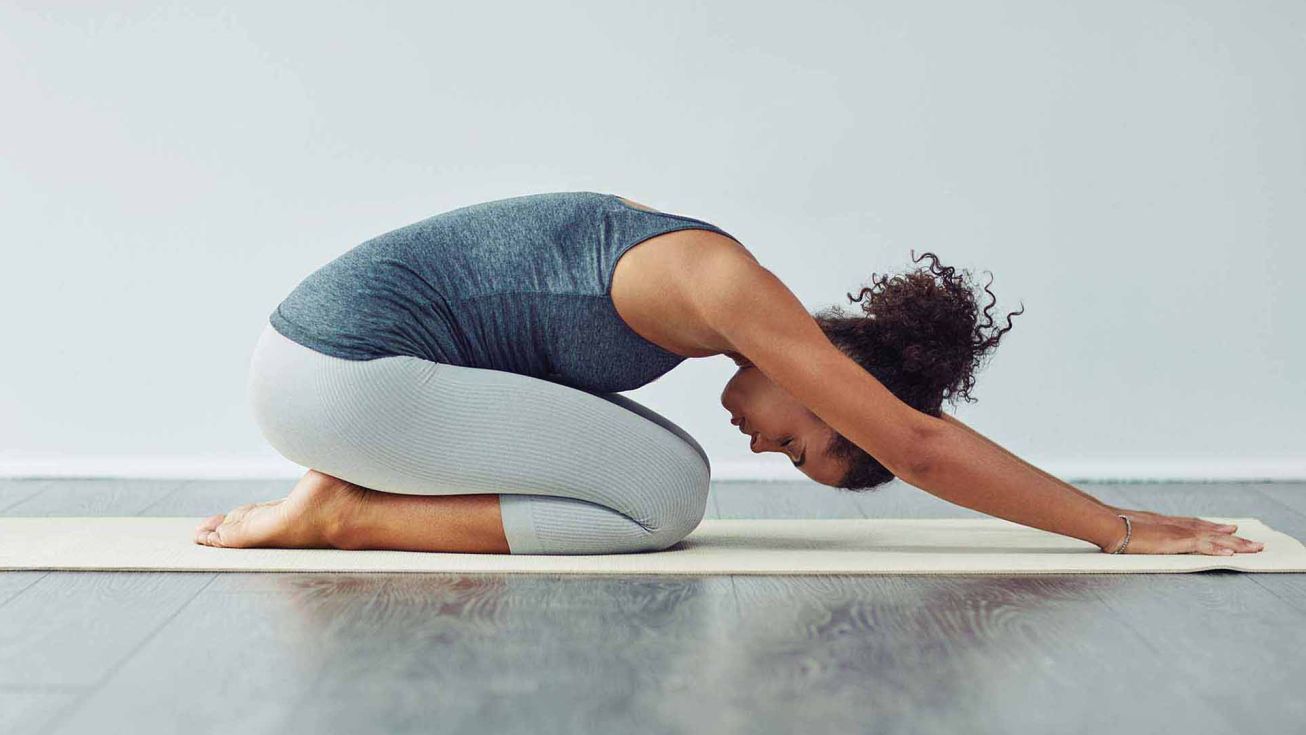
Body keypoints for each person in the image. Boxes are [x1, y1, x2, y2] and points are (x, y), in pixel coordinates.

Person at [195, 191, 1264, 557]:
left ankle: (347, 492)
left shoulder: (702, 297)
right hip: (341, 376)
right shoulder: (721, 283)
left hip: (338, 371)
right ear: (837, 371)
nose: (768, 445)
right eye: (803, 441)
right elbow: (919, 444)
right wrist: (1112, 526)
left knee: (663, 470)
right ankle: (342, 515)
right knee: (667, 496)